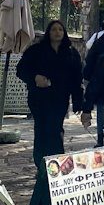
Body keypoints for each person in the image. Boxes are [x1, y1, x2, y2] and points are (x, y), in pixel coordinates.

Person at [16, 21, 83, 167]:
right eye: (54, 29)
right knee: (41, 130)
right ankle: (41, 164)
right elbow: (21, 69)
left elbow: (76, 79)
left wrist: (79, 102)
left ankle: (57, 163)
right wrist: (34, 77)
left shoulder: (71, 53)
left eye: (60, 29)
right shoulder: (36, 50)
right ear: (48, 32)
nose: (57, 32)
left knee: (55, 129)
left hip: (60, 98)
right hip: (39, 97)